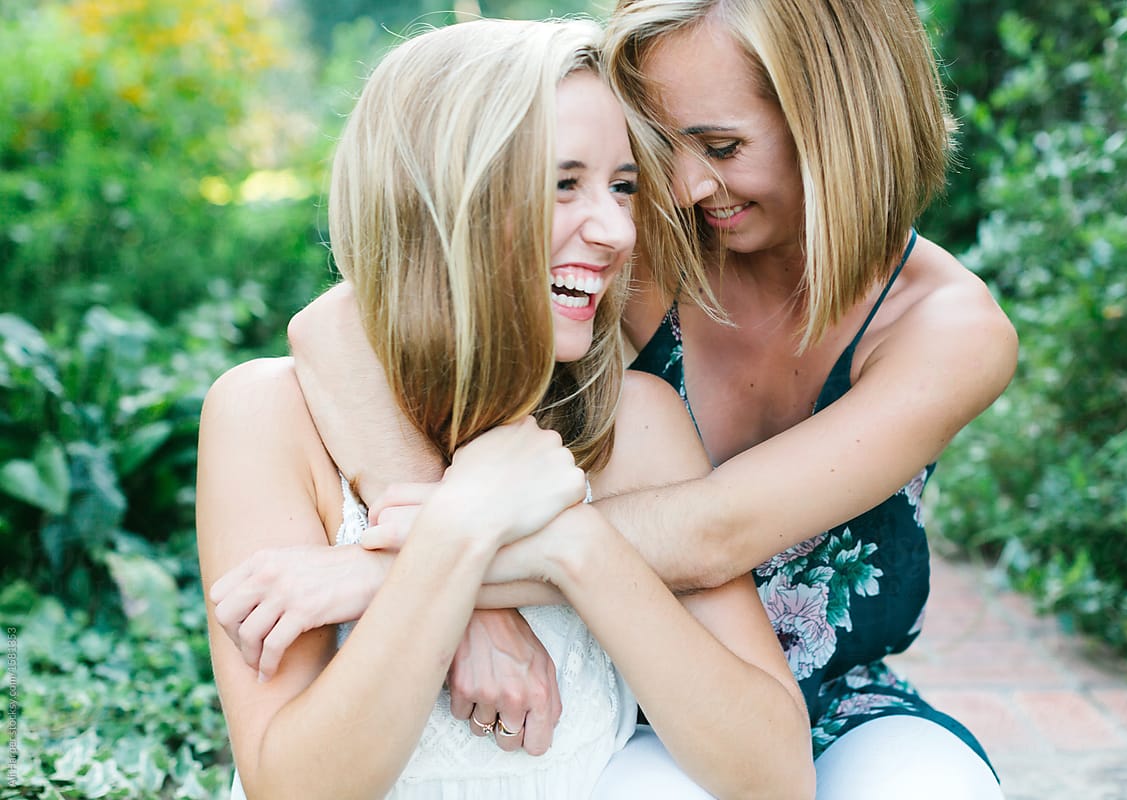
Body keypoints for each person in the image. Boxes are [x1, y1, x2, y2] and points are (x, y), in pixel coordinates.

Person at [282, 1, 1018, 798]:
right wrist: (433, 551)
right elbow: (339, 321)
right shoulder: (657, 241)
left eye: (722, 145)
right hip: (612, 687)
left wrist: (408, 572)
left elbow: (712, 532)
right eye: (664, 145)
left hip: (829, 703)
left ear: (842, 120)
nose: (687, 182)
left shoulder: (947, 331)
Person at [196, 17, 812, 800]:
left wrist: (569, 545)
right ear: (443, 196)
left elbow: (776, 776)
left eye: (622, 186)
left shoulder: (636, 422)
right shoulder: (267, 418)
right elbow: (295, 788)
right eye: (564, 183)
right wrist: (456, 537)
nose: (617, 230)